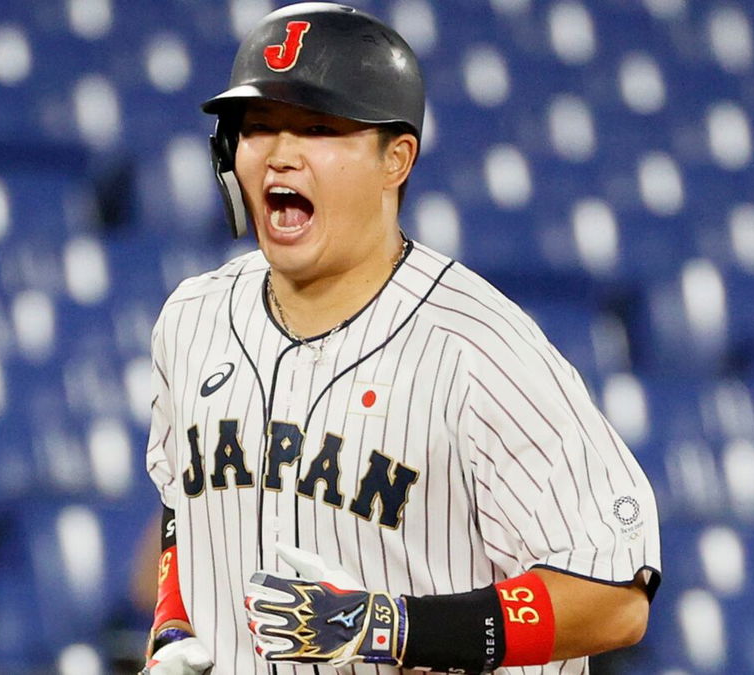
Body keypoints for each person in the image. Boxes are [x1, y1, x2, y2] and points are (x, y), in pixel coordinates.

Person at [140, 3, 661, 674]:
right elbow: (181, 505)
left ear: (397, 159)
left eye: (319, 128)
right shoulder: (192, 319)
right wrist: (171, 625)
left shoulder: (481, 350)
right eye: (260, 127)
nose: (281, 154)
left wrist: (392, 625)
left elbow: (615, 598)